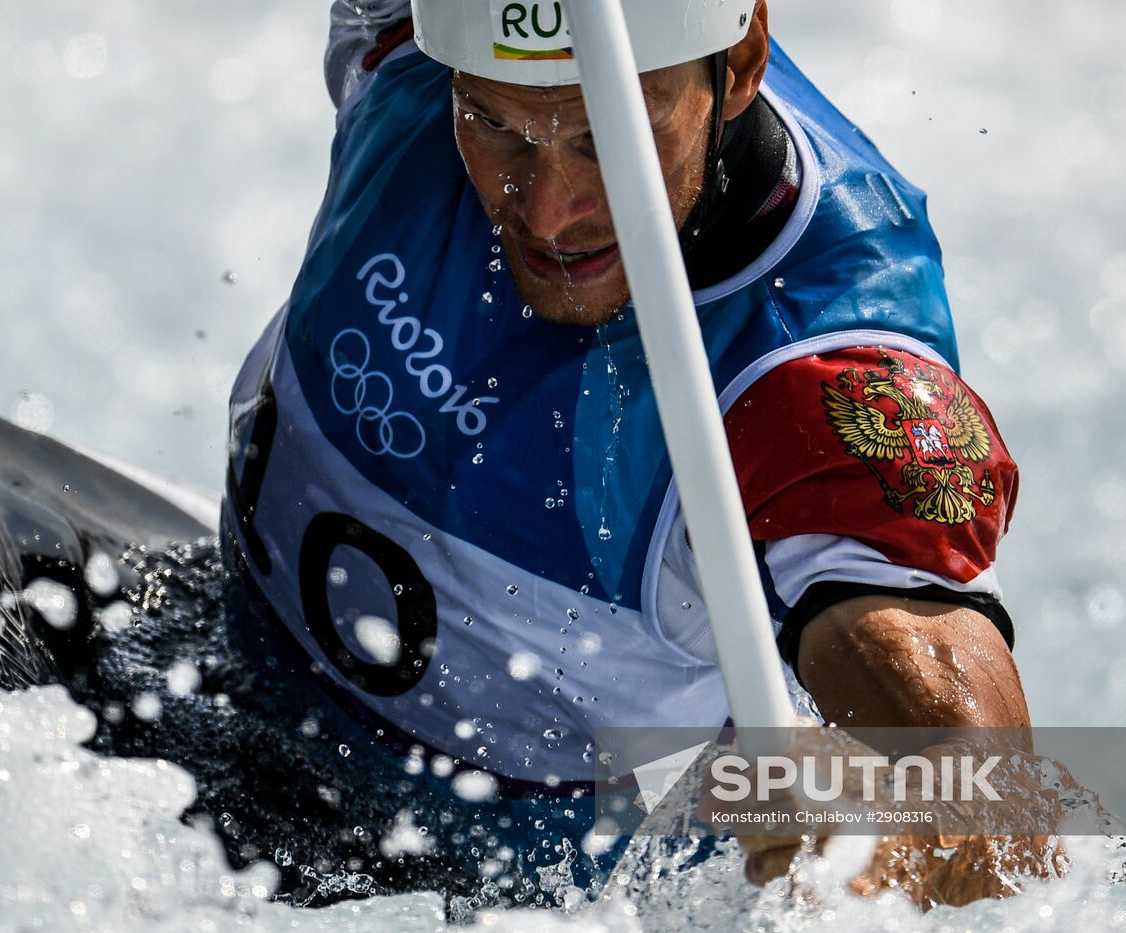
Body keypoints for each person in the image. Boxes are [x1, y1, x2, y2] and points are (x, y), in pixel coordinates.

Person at [219, 0, 1038, 907]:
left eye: (608, 134)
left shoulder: (809, 373)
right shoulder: (403, 40)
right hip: (217, 682)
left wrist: (898, 832)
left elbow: (986, 802)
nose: (550, 212)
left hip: (472, 897)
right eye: (497, 125)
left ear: (745, 56)